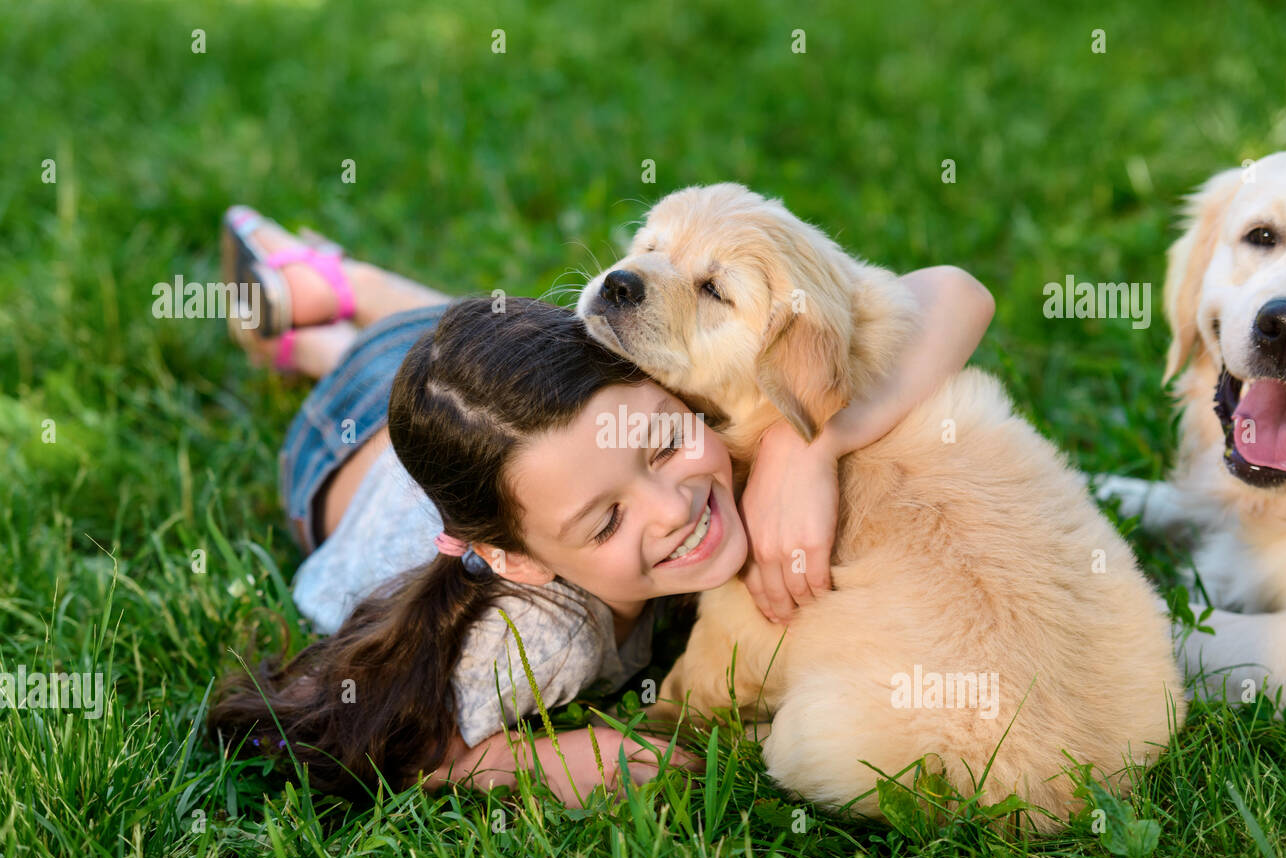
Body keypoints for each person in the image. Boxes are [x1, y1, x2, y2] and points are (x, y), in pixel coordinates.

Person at [206, 208, 994, 808]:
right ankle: (319, 320)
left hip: (478, 396)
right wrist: (512, 762)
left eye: (662, 443)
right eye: (608, 521)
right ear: (521, 558)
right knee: (380, 363)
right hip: (344, 445)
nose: (671, 509)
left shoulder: (615, 441)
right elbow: (373, 746)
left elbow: (952, 291)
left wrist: (810, 441)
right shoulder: (535, 639)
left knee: (474, 362)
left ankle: (345, 292)